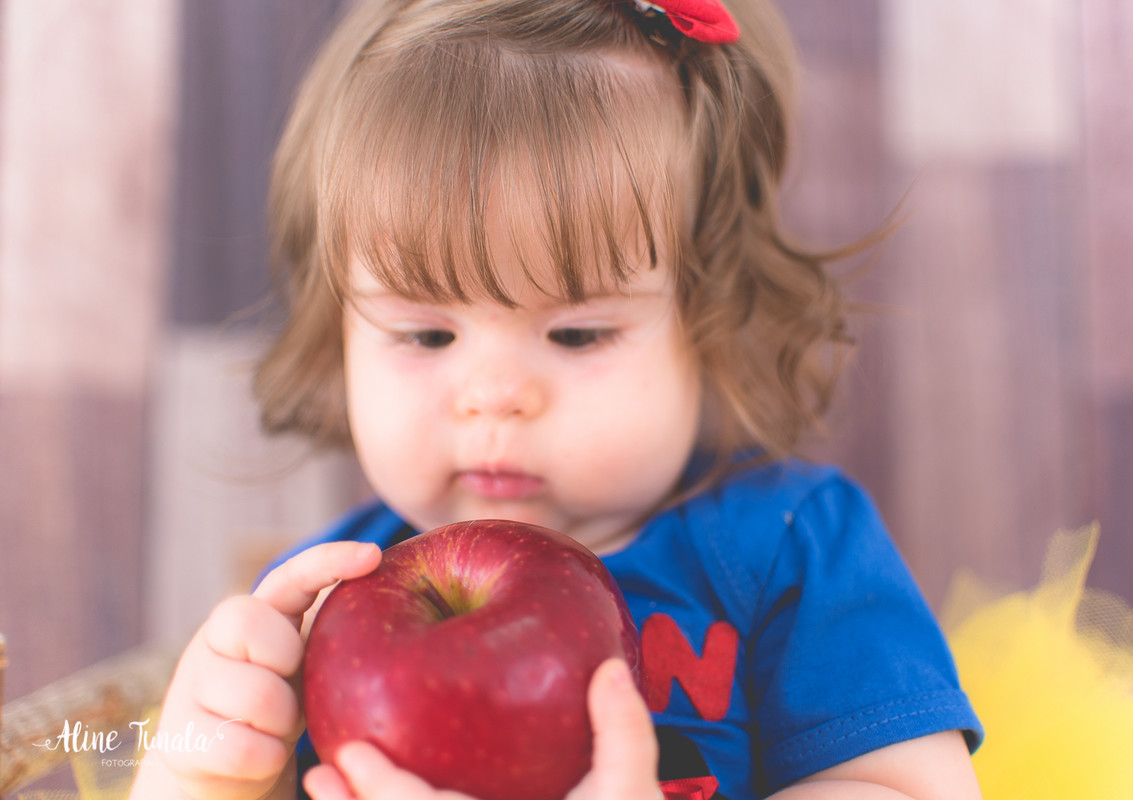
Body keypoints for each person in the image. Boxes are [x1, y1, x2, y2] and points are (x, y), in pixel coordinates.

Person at [131, 0, 985, 797]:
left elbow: (910, 784)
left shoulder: (790, 551)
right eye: (428, 336)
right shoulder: (330, 598)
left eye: (577, 335)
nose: (495, 396)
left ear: (710, 321)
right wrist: (201, 763)